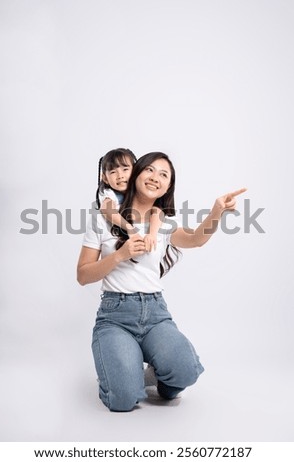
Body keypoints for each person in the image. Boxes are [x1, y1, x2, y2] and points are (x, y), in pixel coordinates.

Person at [77, 152, 246, 412]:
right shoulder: (103, 218)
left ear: (168, 186)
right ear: (136, 173)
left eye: (164, 175)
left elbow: (197, 239)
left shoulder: (164, 224)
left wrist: (218, 211)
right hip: (115, 317)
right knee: (123, 400)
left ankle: (144, 374)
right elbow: (83, 275)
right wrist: (121, 255)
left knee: (185, 372)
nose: (155, 177)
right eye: (150, 170)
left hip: (155, 314)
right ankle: (119, 371)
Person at [96, 148, 163, 252]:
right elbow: (106, 209)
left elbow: (157, 210)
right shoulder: (110, 194)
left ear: (135, 170)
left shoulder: (140, 188)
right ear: (105, 178)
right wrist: (130, 229)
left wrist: (152, 234)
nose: (120, 176)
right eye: (113, 172)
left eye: (125, 169)